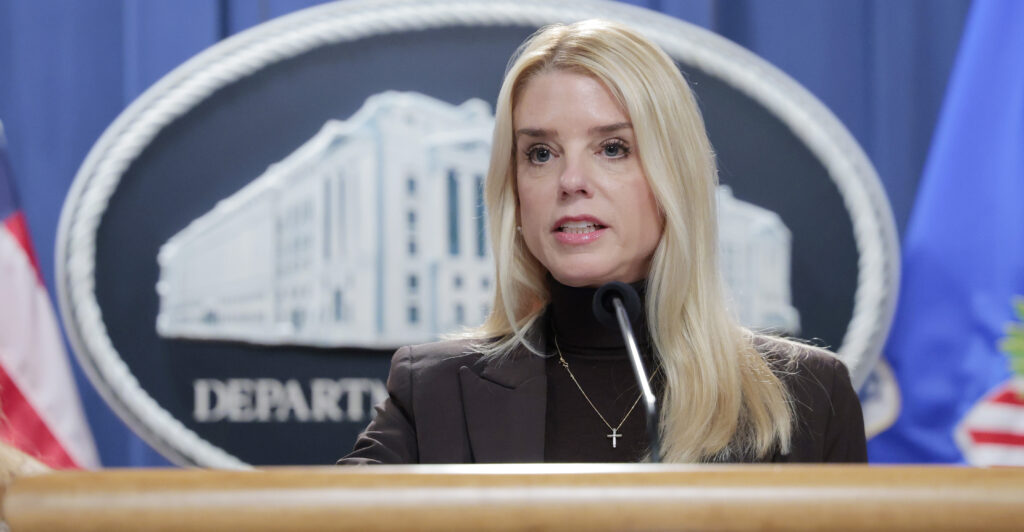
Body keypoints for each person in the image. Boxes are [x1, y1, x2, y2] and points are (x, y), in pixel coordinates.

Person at [339, 19, 865, 464]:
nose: (571, 181)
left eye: (612, 148)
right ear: (515, 191)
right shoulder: (434, 391)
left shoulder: (810, 396)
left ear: (673, 176)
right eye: (540, 154)